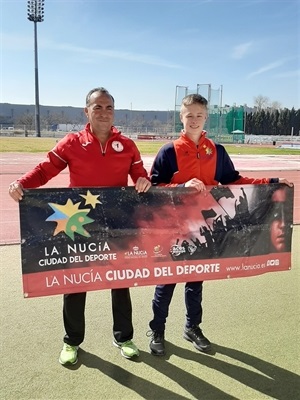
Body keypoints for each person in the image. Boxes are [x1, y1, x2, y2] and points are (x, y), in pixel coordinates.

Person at [9, 87, 151, 365]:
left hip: (116, 223)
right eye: (97, 107)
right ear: (86, 112)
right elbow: (45, 169)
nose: (104, 112)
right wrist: (22, 184)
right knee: (75, 282)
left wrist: (143, 181)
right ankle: (72, 341)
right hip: (78, 222)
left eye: (109, 107)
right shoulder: (72, 142)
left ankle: (123, 337)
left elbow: (139, 174)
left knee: (121, 282)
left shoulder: (127, 145)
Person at [147, 93, 293, 356]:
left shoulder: (217, 151)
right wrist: (181, 186)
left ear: (206, 118)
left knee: (195, 282)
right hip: (173, 230)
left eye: (199, 115)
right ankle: (157, 330)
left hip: (204, 230)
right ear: (181, 116)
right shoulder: (169, 152)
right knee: (166, 282)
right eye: (189, 114)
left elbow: (235, 181)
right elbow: (153, 189)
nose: (194, 120)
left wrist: (273, 181)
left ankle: (192, 328)